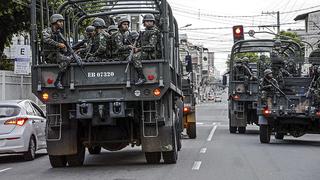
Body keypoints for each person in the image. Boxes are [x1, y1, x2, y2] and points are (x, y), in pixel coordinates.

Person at [42, 14, 71, 89]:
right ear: (54, 22)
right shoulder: (47, 30)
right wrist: (58, 44)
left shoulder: (58, 33)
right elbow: (46, 39)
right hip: (50, 55)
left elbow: (63, 45)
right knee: (67, 60)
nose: (62, 23)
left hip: (56, 54)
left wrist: (66, 48)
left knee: (72, 57)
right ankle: (57, 81)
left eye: (62, 22)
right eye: (60, 21)